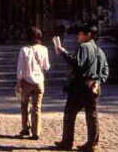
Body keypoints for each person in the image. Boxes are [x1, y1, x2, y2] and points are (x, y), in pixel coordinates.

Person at [54, 23, 109, 152]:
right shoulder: (100, 51)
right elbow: (105, 70)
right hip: (94, 86)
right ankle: (93, 143)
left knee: (69, 113)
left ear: (88, 35)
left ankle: (67, 142)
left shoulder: (84, 47)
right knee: (92, 115)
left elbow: (77, 63)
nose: (78, 36)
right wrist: (98, 82)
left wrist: (63, 52)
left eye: (80, 34)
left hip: (81, 86)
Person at [15, 26, 50, 140]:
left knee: (24, 105)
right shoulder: (44, 49)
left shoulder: (24, 50)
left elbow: (20, 67)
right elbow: (47, 67)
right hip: (39, 82)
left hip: (26, 81)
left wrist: (18, 81)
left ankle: (26, 128)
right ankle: (36, 132)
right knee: (37, 107)